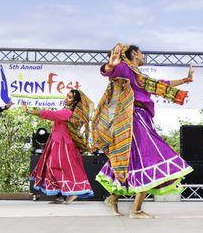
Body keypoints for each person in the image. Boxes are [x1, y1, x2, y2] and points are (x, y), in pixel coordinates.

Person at [93, 43, 194, 219]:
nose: (143, 55)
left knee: (134, 161)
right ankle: (136, 210)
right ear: (134, 54)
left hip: (141, 119)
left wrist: (185, 80)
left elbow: (162, 85)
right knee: (152, 156)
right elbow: (109, 72)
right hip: (132, 119)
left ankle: (113, 198)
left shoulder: (140, 76)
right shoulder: (124, 68)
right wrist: (111, 65)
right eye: (141, 52)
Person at [24, 89, 95, 204]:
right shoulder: (66, 111)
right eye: (67, 96)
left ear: (75, 102)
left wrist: (28, 111)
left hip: (64, 145)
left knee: (63, 167)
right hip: (57, 142)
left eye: (70, 97)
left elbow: (50, 115)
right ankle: (62, 194)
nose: (66, 98)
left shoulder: (68, 113)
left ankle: (74, 192)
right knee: (53, 167)